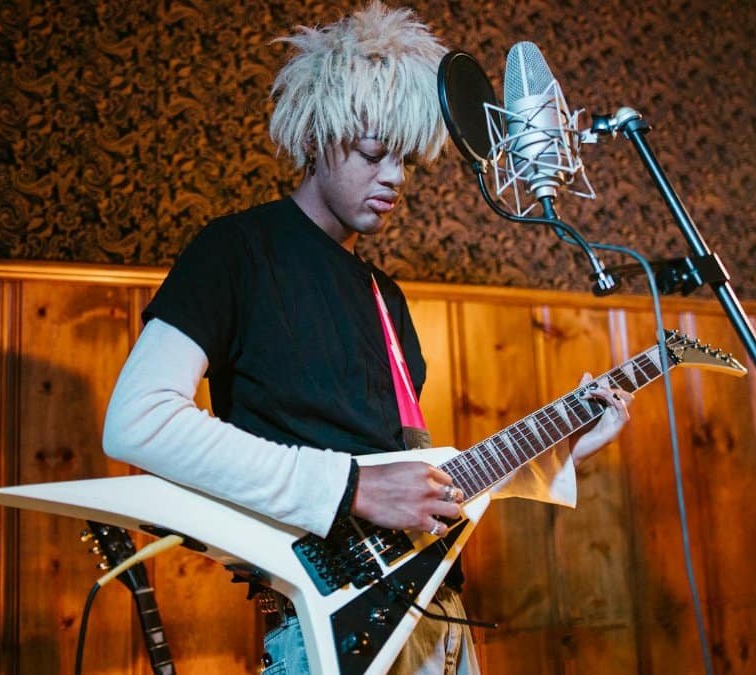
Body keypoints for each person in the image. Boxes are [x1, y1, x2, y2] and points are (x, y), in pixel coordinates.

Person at [102, 3, 633, 673]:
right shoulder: (236, 252)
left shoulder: (388, 298)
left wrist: (559, 454)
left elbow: (420, 488)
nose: (394, 178)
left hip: (440, 619)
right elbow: (137, 421)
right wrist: (349, 487)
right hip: (326, 629)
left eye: (404, 160)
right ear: (320, 138)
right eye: (374, 153)